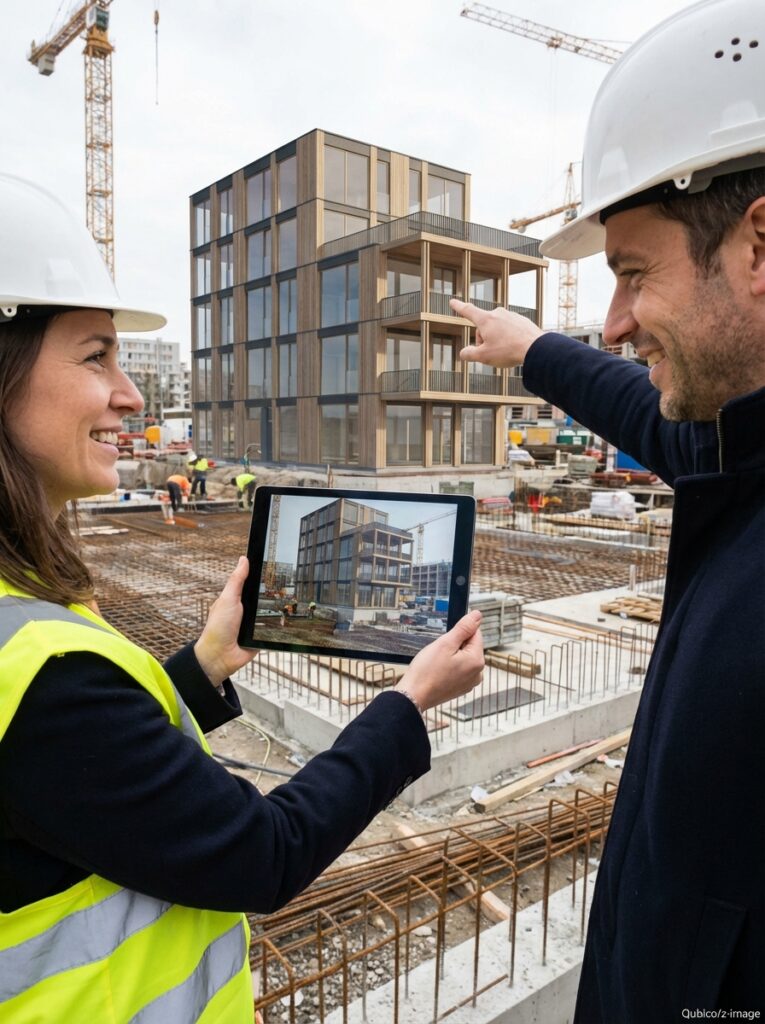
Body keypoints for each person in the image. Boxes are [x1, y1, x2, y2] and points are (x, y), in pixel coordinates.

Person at [0, 172, 485, 1022]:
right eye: (94, 354)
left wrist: (202, 665)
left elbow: (83, 783)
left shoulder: (24, 628)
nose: (132, 395)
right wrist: (407, 705)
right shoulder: (38, 676)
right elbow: (262, 852)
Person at [451, 2, 764, 1018]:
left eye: (633, 272)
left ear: (758, 248)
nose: (616, 320)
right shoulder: (742, 452)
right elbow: (660, 418)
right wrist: (531, 346)